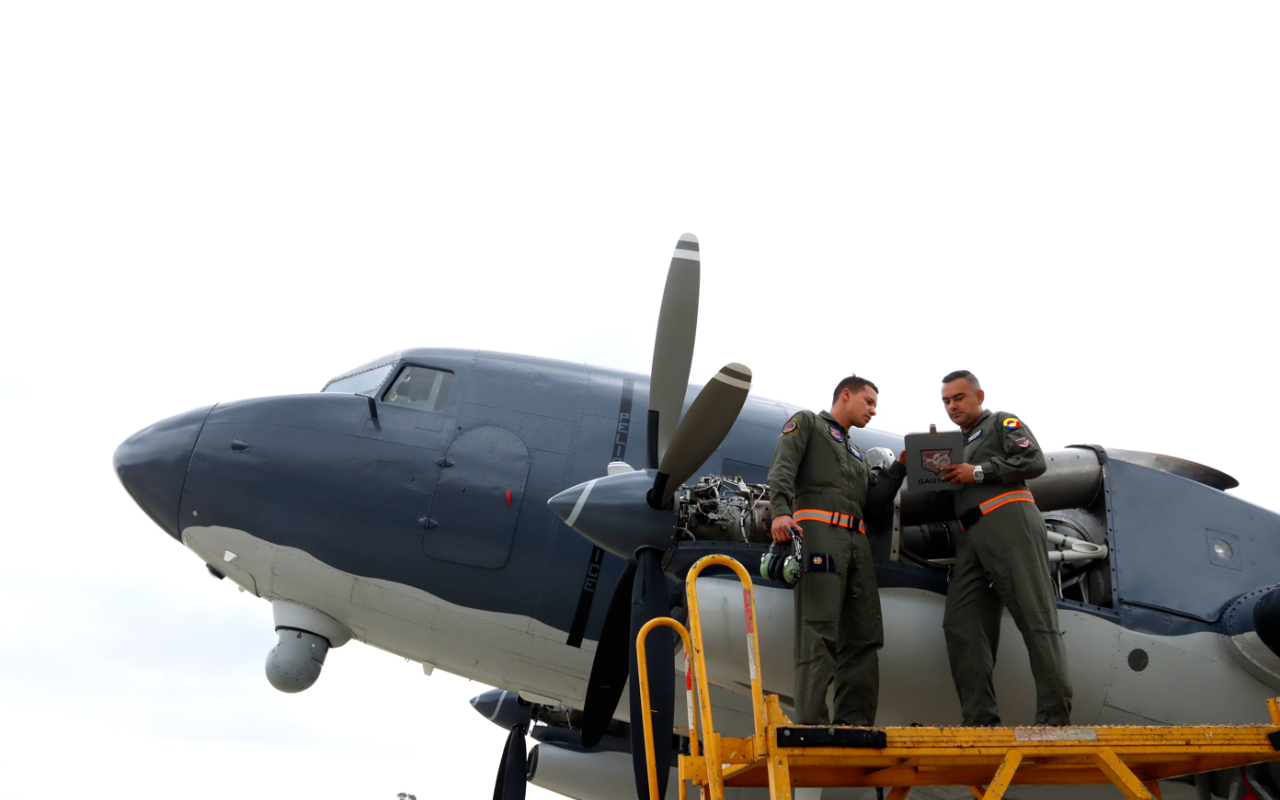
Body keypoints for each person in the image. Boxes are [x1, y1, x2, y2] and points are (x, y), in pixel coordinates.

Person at [936, 370, 1073, 726]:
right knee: (960, 624)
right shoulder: (955, 445)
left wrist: (977, 472)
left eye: (958, 398)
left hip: (1008, 522)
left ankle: (1054, 715)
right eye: (946, 401)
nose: (952, 406)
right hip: (971, 536)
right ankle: (980, 721)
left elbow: (1034, 461)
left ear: (979, 396)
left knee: (1034, 615)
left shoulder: (1001, 423)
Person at [768, 375, 906, 726]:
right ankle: (812, 722)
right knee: (818, 629)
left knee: (865, 634)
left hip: (856, 542)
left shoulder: (857, 453)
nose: (873, 411)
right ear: (846, 395)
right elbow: (783, 466)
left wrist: (900, 468)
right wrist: (780, 511)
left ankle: (854, 722)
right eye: (869, 402)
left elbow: (873, 505)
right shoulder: (808, 424)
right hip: (819, 535)